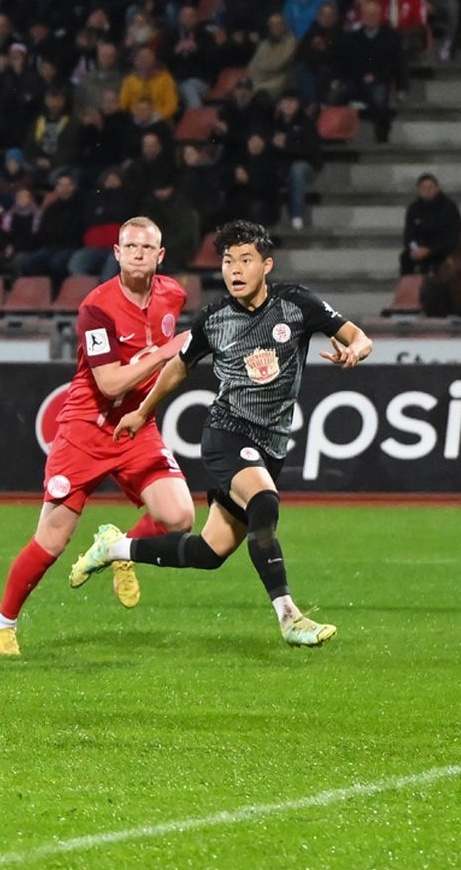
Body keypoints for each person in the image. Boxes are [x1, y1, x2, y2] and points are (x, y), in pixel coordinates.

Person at [70, 221, 372, 647]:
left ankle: (115, 548)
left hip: (271, 445)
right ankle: (289, 617)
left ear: (267, 265)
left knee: (209, 552)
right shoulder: (214, 318)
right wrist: (142, 411)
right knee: (264, 502)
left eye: (246, 260)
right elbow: (178, 367)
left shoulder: (295, 304)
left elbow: (358, 337)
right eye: (228, 261)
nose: (235, 270)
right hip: (227, 433)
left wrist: (354, 351)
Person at [0, 218, 197, 657]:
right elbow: (110, 383)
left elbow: (175, 359)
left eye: (147, 247)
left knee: (179, 518)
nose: (137, 253)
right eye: (129, 246)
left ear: (160, 256)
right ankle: (2, 625)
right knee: (53, 539)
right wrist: (165, 352)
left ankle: (116, 548)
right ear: (116, 253)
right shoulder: (96, 308)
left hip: (137, 426)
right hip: (86, 430)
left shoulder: (174, 294)